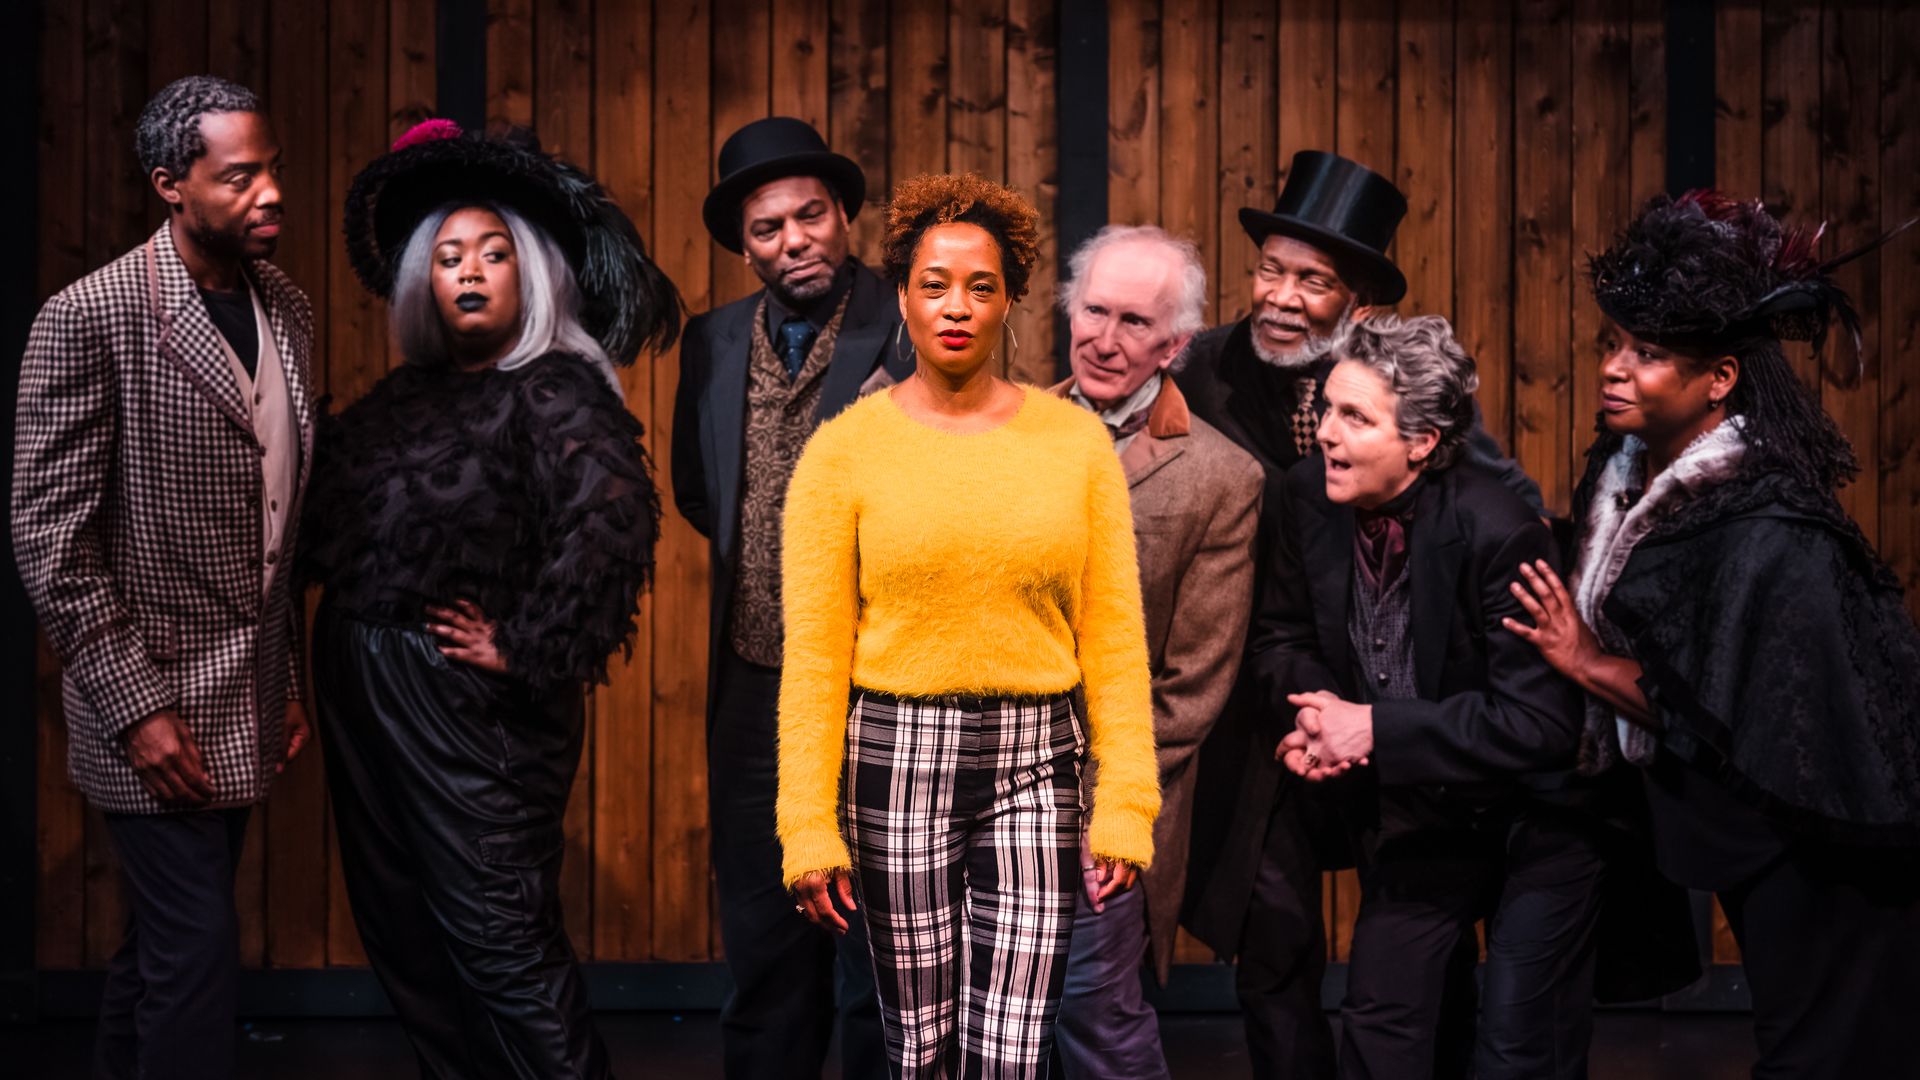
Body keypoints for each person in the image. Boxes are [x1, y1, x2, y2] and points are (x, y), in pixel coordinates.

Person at [1508, 191, 1920, 1078]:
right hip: (1738, 820)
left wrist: (1583, 659)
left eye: (1648, 354)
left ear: (1720, 380)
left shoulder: (1770, 519)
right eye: (1616, 344)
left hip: (1824, 834)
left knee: (1827, 1053)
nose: (1615, 368)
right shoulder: (1624, 476)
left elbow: (1739, 699)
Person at [301, 118, 680, 1079]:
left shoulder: (551, 389)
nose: (469, 272)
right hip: (361, 692)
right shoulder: (403, 396)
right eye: (449, 257)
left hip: (465, 711)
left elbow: (616, 520)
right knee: (407, 937)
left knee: (500, 941)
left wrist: (528, 646)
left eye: (493, 254)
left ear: (533, 273)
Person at [777, 172, 1161, 1079]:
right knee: (919, 1042)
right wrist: (806, 823)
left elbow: (1114, 640)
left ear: (1010, 301)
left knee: (1015, 1042)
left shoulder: (1074, 447)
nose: (957, 306)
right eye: (935, 284)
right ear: (903, 296)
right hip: (895, 751)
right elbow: (816, 655)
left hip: (1037, 754)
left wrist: (1127, 806)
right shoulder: (844, 451)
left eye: (981, 286)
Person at [1177, 150, 1540, 1079]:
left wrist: (1378, 723)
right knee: (1274, 929)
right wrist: (1304, 703)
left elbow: (1489, 505)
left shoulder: (1411, 394)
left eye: (1313, 280)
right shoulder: (1205, 367)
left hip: (1400, 713)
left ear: (1359, 305)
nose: (1282, 298)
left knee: (1413, 943)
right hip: (1269, 694)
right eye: (1271, 270)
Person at [13, 75, 311, 1080]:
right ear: (169, 185)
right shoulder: (89, 317)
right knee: (196, 956)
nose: (271, 191)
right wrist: (136, 709)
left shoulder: (289, 308)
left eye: (271, 167)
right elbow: (52, 539)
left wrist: (290, 683)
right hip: (152, 706)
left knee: (160, 953)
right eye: (240, 177)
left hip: (247, 695)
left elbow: (281, 519)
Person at [1258, 314, 1602, 1079]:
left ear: (1421, 442)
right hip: (1423, 812)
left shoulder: (1498, 527)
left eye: (1355, 417)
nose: (1325, 433)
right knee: (1381, 1019)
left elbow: (1539, 723)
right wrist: (1315, 719)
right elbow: (1279, 637)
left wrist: (1370, 728)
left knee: (1514, 1046)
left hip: (1533, 817)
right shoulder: (1305, 496)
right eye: (1326, 408)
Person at [672, 115, 908, 1080]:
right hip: (753, 684)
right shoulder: (715, 339)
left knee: (873, 945)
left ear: (845, 216)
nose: (793, 240)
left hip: (878, 683)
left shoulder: (906, 320)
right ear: (744, 244)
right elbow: (700, 490)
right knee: (763, 939)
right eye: (767, 228)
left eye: (810, 215)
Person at [1046, 225, 1262, 1079]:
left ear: (1175, 345)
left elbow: (1195, 683)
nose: (1104, 338)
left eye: (1134, 322)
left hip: (1111, 802)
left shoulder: (1220, 477)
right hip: (982, 787)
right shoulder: (1005, 434)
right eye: (1093, 311)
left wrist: (1104, 800)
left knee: (1101, 1024)